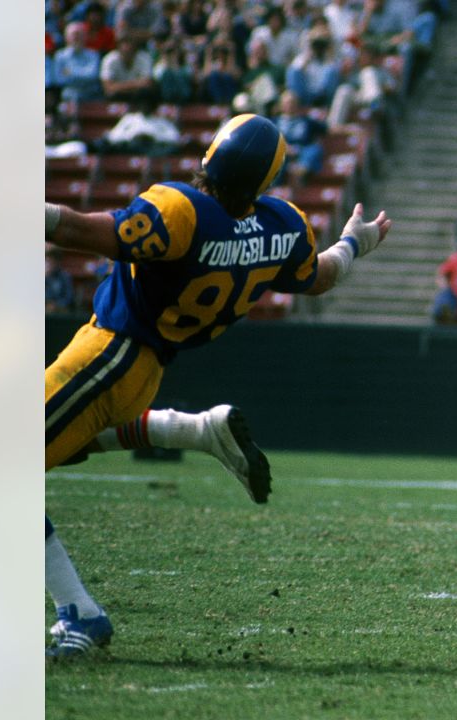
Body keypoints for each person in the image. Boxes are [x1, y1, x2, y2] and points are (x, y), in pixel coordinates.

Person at [43, 114, 392, 657]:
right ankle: (192, 430)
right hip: (145, 371)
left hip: (110, 354)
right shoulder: (281, 226)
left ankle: (81, 614)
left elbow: (84, 232)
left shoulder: (181, 210)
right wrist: (354, 242)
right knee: (49, 450)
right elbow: (319, 277)